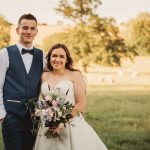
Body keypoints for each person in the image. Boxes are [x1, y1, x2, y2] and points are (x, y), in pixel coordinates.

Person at [34, 43, 108, 150]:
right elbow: (42, 101)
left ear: (67, 59)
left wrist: (61, 121)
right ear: (49, 58)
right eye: (54, 56)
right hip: (48, 126)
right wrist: (47, 117)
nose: (57, 59)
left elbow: (81, 104)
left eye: (61, 56)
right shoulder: (44, 76)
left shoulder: (75, 75)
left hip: (71, 125)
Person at [0, 13, 45, 150]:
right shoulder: (5, 53)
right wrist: (2, 114)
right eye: (25, 28)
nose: (28, 31)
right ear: (18, 30)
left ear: (36, 32)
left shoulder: (42, 55)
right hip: (11, 116)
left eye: (32, 28)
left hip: (34, 118)